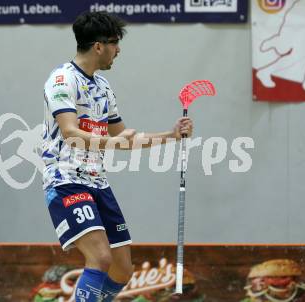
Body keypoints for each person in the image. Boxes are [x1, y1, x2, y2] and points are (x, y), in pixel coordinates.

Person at [42, 11, 193, 302]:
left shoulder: (103, 87)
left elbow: (124, 139)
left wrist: (171, 135)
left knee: (123, 269)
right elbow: (71, 132)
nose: (118, 49)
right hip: (65, 179)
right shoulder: (62, 80)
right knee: (99, 257)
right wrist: (112, 142)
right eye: (114, 42)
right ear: (98, 46)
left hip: (98, 182)